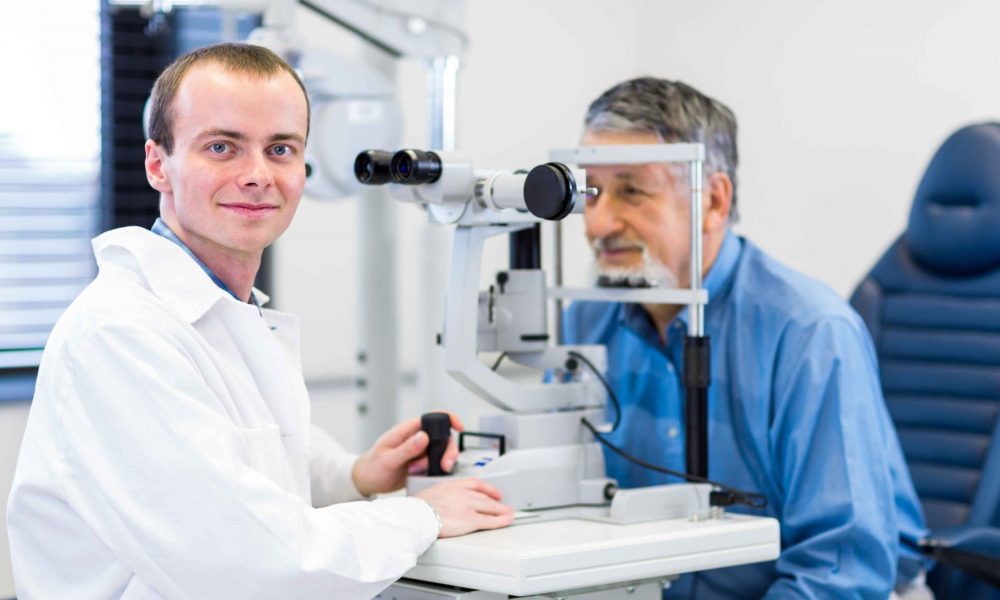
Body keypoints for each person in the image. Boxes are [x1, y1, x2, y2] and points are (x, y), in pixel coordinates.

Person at [6, 42, 512, 600]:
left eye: (280, 149)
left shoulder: (226, 311)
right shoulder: (120, 335)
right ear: (158, 165)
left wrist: (355, 475)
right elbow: (246, 561)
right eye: (222, 147)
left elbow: (254, 458)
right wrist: (423, 516)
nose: (257, 175)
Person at [561, 77, 930, 599]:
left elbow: (840, 570)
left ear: (713, 200)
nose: (596, 224)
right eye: (591, 192)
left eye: (631, 191)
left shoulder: (809, 333)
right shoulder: (585, 324)